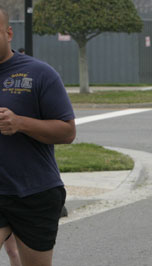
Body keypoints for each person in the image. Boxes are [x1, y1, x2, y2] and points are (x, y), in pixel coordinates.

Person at [0, 7, 76, 266]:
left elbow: (68, 132)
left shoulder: (39, 74)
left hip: (34, 191)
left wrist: (19, 123)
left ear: (8, 33)